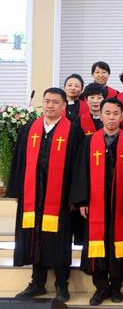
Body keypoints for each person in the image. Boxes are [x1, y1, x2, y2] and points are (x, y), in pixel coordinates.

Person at [7, 88, 83, 303]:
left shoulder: (73, 131)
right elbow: (19, 161)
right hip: (33, 194)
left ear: (63, 106)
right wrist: (16, 191)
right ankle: (37, 282)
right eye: (47, 101)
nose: (50, 105)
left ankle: (61, 284)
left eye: (55, 102)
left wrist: (74, 197)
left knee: (58, 239)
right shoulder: (30, 129)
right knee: (34, 237)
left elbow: (78, 167)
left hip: (59, 196)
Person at [71, 98, 123, 306]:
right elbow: (81, 172)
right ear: (100, 116)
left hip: (120, 205)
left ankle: (116, 287)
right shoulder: (89, 142)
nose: (111, 117)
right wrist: (82, 201)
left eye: (115, 113)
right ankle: (100, 288)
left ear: (122, 116)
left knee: (118, 244)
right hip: (95, 203)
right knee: (97, 244)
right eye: (107, 113)